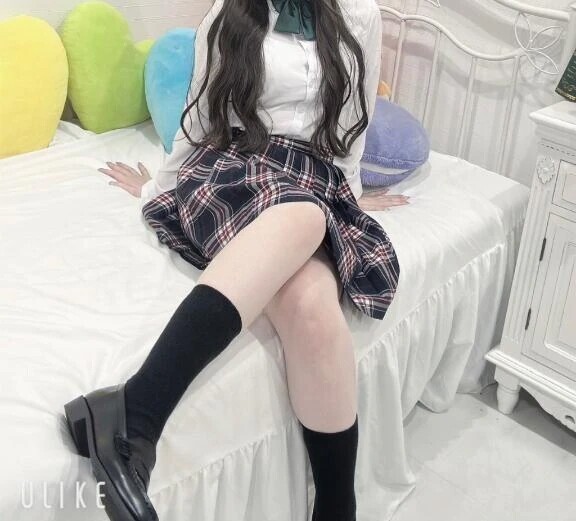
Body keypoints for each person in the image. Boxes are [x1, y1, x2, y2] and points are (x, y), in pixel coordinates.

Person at [63, 0, 409, 520]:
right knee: (306, 220)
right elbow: (200, 115)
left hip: (311, 177)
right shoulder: (231, 10)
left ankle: (336, 510)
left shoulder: (359, 14)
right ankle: (139, 414)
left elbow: (354, 126)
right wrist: (156, 189)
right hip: (235, 166)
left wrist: (351, 200)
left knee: (313, 304)